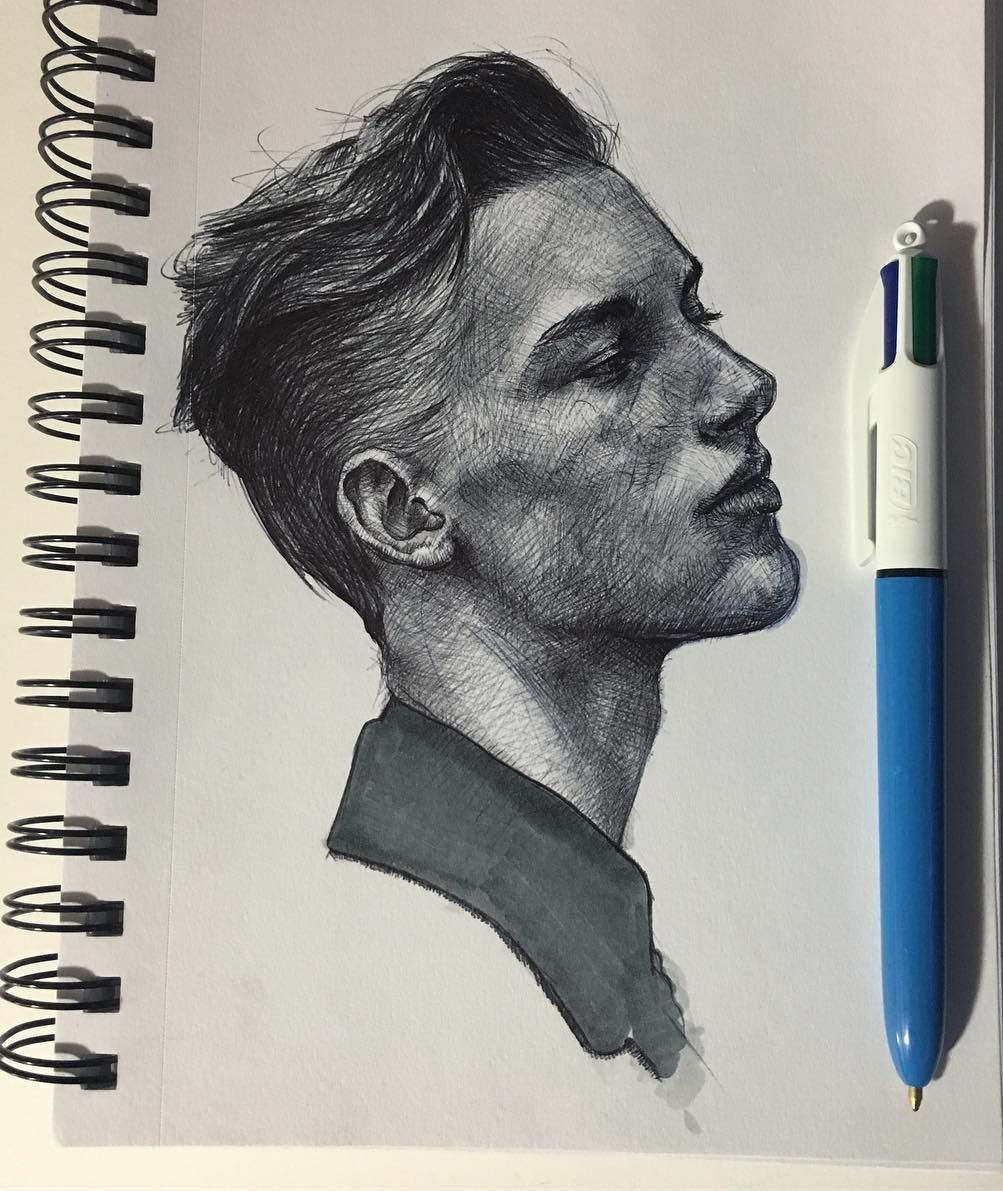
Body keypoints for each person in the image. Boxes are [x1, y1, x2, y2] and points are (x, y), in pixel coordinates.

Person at [171, 51, 800, 1079]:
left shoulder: (595, 950)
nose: (742, 385)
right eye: (607, 361)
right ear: (403, 510)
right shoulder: (426, 971)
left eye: (698, 316)